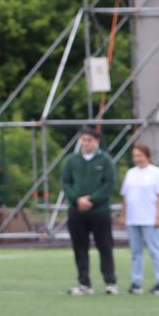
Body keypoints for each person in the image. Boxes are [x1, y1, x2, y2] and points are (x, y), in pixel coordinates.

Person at [61, 126, 118, 295]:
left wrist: (91, 200)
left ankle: (110, 282)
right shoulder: (71, 161)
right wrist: (77, 200)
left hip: (99, 212)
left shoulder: (105, 161)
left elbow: (108, 184)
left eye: (89, 140)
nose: (86, 143)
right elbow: (66, 183)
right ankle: (84, 283)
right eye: (83, 140)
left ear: (96, 141)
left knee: (105, 246)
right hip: (76, 212)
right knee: (80, 248)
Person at [119, 141, 159, 296]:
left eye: (140, 155)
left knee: (155, 251)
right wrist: (123, 214)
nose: (137, 158)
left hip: (149, 218)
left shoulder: (156, 172)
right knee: (136, 252)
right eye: (134, 156)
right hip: (133, 219)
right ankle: (136, 281)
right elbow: (126, 196)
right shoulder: (131, 173)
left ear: (147, 155)